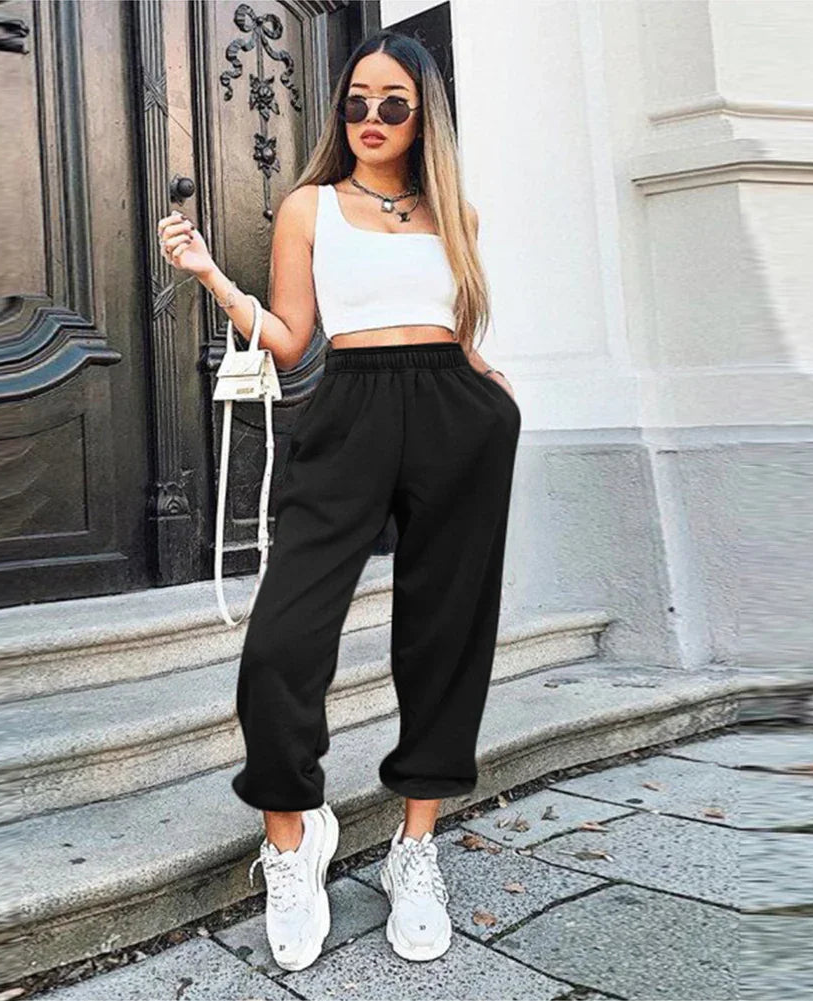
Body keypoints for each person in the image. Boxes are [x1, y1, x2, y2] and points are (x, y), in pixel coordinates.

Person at [156, 29, 520, 971]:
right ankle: (291, 839)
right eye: (356, 100)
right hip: (348, 410)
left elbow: (457, 327)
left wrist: (491, 389)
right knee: (284, 635)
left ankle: (416, 845)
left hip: (455, 413)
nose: (369, 118)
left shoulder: (457, 213)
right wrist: (206, 274)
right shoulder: (308, 205)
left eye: (391, 102)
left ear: (423, 113)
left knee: (446, 630)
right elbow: (287, 340)